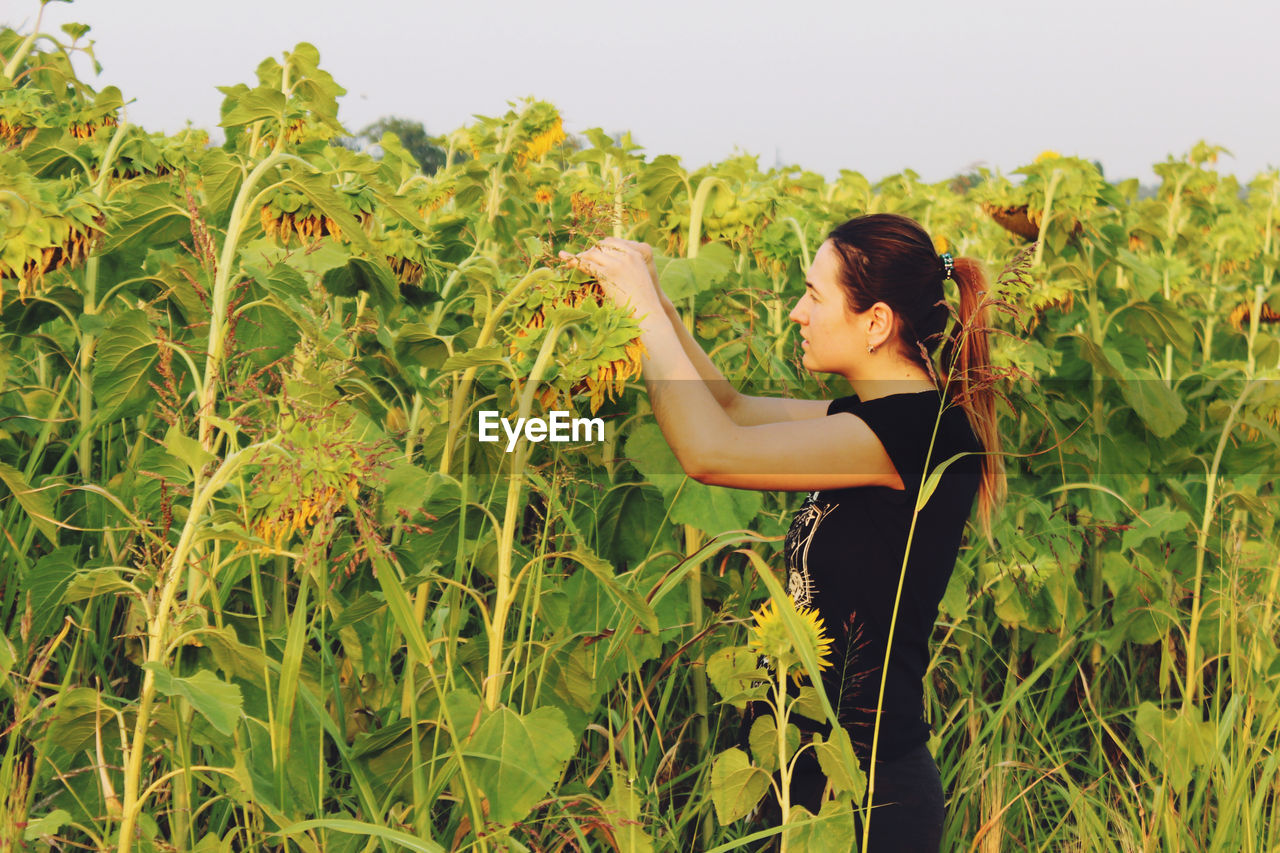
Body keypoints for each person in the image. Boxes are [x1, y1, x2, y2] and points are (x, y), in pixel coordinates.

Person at [560, 212, 1005, 852]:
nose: (796, 312)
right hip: (807, 771)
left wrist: (637, 305)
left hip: (864, 795)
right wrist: (651, 296)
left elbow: (709, 451)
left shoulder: (918, 434)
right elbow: (731, 409)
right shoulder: (877, 418)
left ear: (876, 322)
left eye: (815, 296)